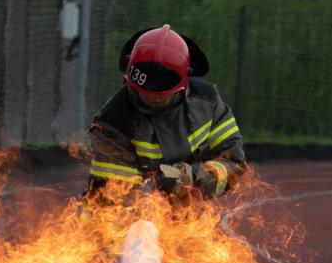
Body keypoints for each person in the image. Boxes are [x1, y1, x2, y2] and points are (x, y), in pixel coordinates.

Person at [87, 24, 246, 199]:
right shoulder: (113, 122)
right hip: (140, 217)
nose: (154, 97)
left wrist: (194, 179)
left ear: (185, 83)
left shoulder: (207, 103)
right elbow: (109, 195)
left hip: (193, 212)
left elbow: (233, 162)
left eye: (163, 92)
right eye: (146, 90)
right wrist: (153, 194)